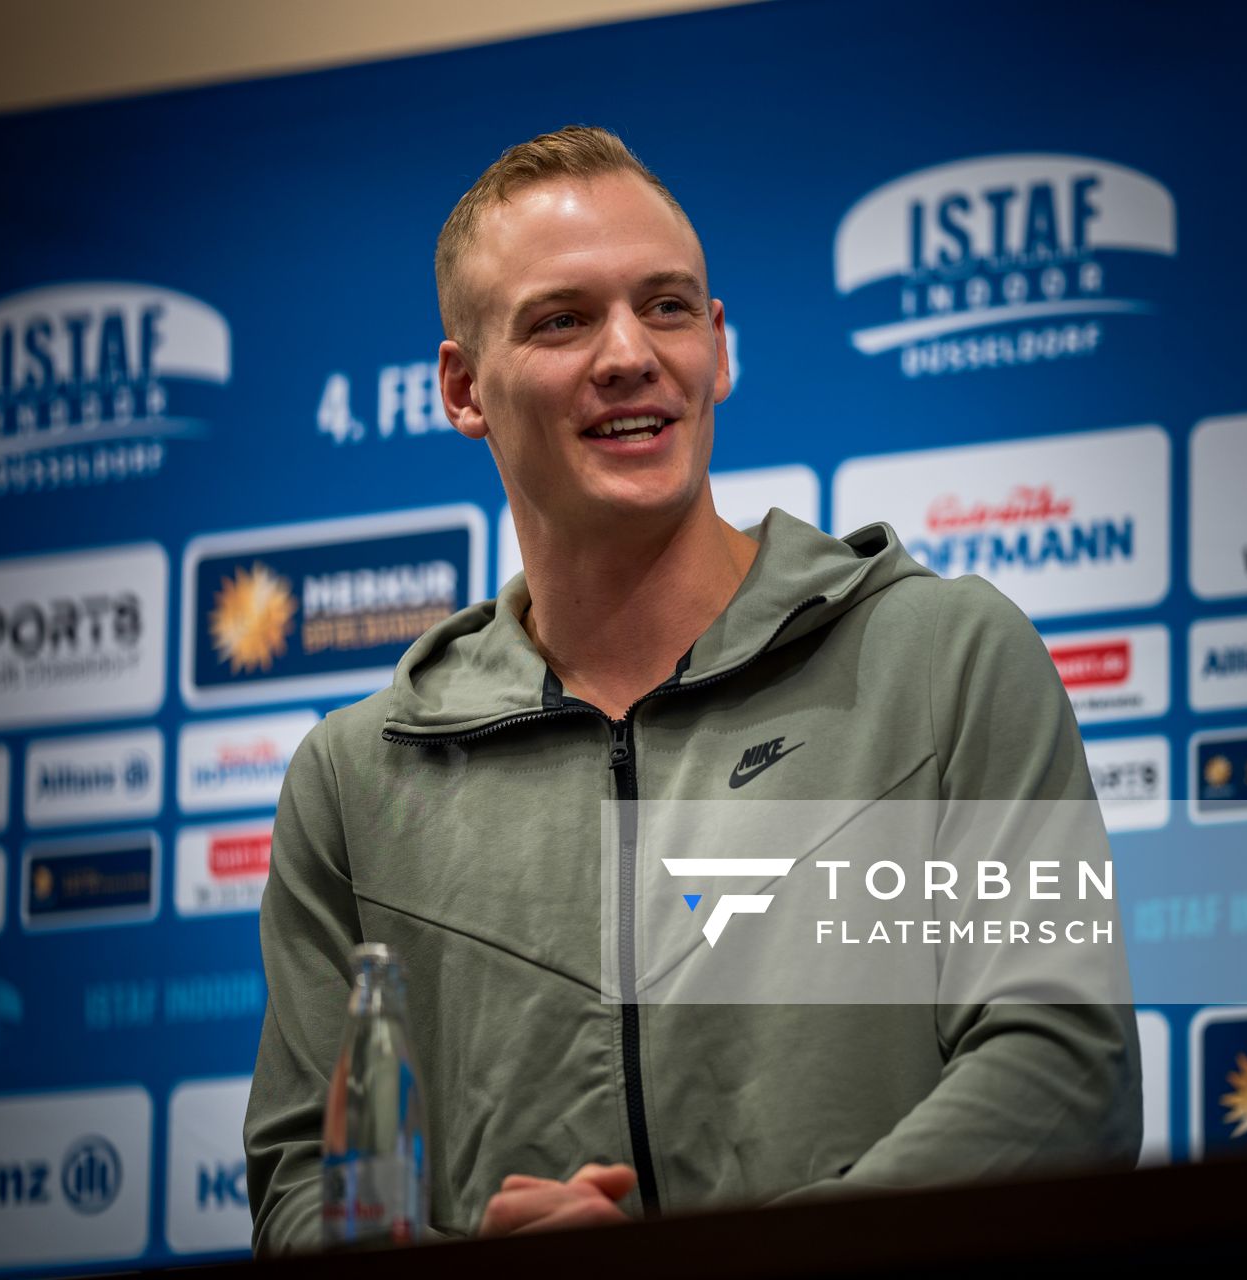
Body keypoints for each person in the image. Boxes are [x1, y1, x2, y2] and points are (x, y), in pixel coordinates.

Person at [244, 125, 1141, 1250]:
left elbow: (1066, 1071)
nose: (629, 353)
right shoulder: (356, 781)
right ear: (463, 388)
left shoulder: (948, 655)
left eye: (666, 306)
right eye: (563, 319)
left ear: (717, 348)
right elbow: (302, 1195)